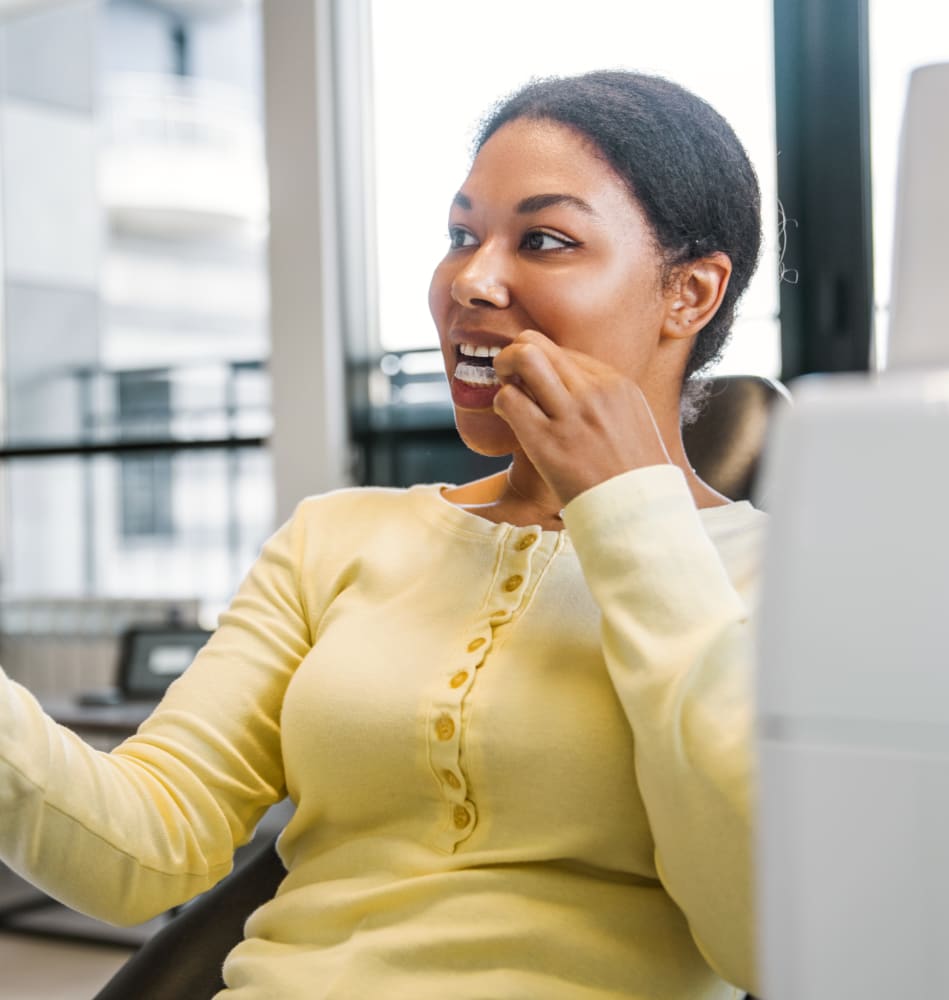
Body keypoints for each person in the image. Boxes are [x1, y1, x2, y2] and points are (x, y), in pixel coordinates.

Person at [0, 70, 765, 999]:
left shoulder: (785, 578)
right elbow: (144, 849)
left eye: (546, 240)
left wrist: (630, 510)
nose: (472, 281)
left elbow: (762, 932)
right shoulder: (337, 537)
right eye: (460, 237)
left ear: (690, 292)